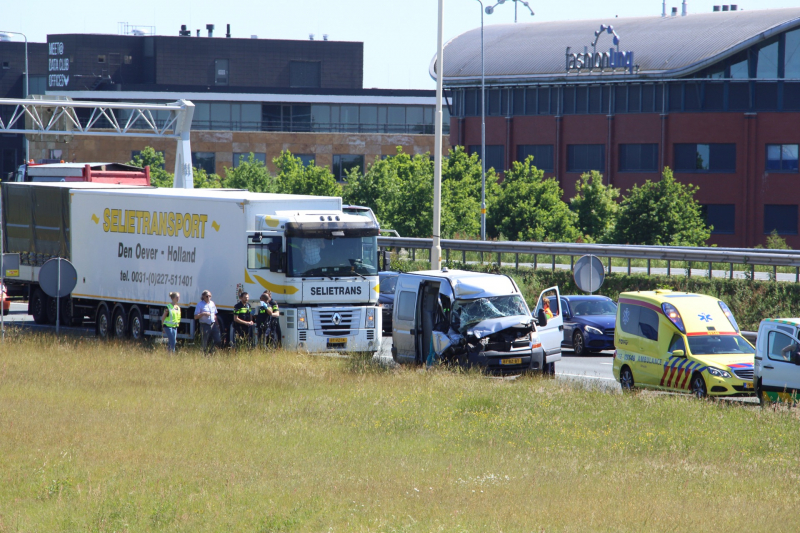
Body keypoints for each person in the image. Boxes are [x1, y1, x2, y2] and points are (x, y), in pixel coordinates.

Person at [194, 290, 222, 354]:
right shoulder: (200, 304)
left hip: (213, 324)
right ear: (203, 296)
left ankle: (211, 352)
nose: (208, 297)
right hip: (205, 325)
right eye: (207, 296)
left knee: (218, 340)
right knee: (205, 341)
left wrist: (217, 324)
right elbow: (195, 317)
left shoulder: (212, 303)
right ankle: (204, 354)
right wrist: (203, 314)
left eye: (210, 296)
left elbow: (215, 314)